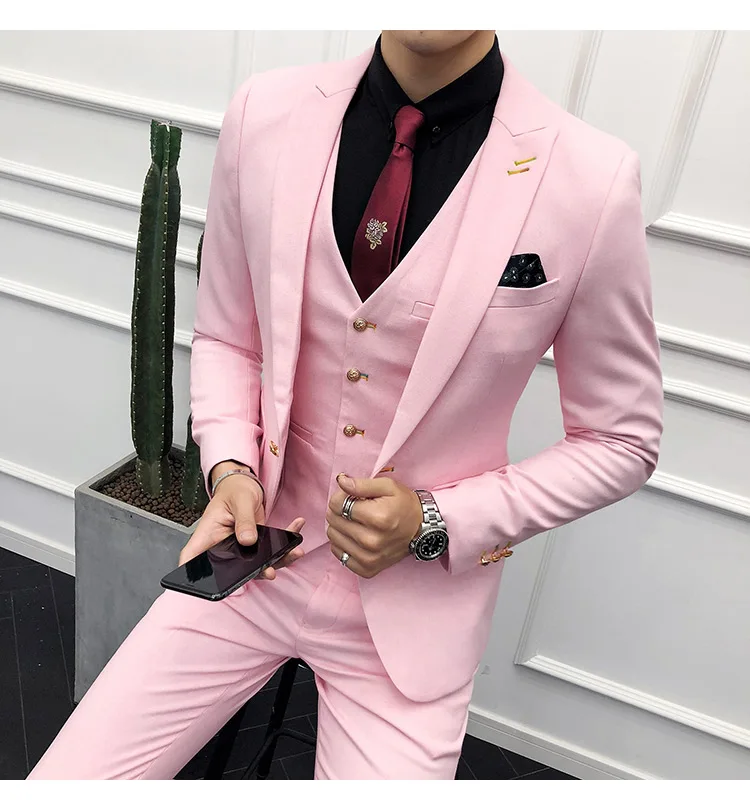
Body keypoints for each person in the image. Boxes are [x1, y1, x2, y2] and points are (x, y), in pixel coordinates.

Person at [29, 29, 663, 780]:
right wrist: (229, 468)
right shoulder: (265, 113)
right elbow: (230, 335)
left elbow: (622, 438)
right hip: (253, 560)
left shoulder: (590, 178)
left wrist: (435, 519)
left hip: (411, 622)